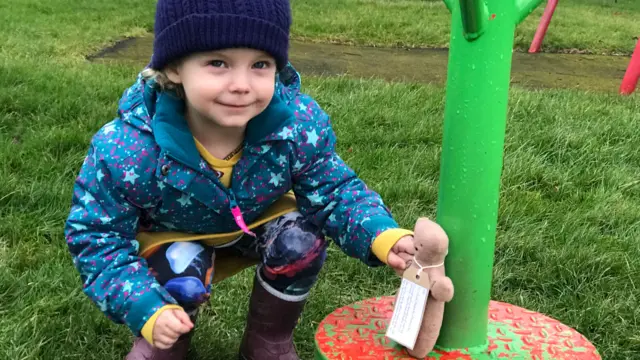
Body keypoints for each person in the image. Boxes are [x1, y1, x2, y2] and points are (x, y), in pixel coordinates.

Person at [64, 0, 447, 359]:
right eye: (218, 62)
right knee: (177, 274)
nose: (242, 84)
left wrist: (381, 234)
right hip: (173, 239)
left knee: (300, 239)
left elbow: (332, 188)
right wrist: (142, 307)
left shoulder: (296, 125)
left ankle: (268, 339)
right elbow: (97, 237)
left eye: (260, 64)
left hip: (255, 224)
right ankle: (165, 341)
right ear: (174, 68)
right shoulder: (127, 148)